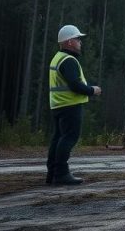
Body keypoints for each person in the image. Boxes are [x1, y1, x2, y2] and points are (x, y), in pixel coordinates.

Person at [47, 24, 101, 185]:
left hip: (58, 105)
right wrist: (92, 90)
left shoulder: (57, 57)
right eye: (78, 39)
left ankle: (52, 173)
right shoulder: (69, 60)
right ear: (69, 42)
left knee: (58, 139)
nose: (80, 42)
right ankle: (61, 174)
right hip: (69, 105)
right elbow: (75, 86)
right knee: (68, 138)